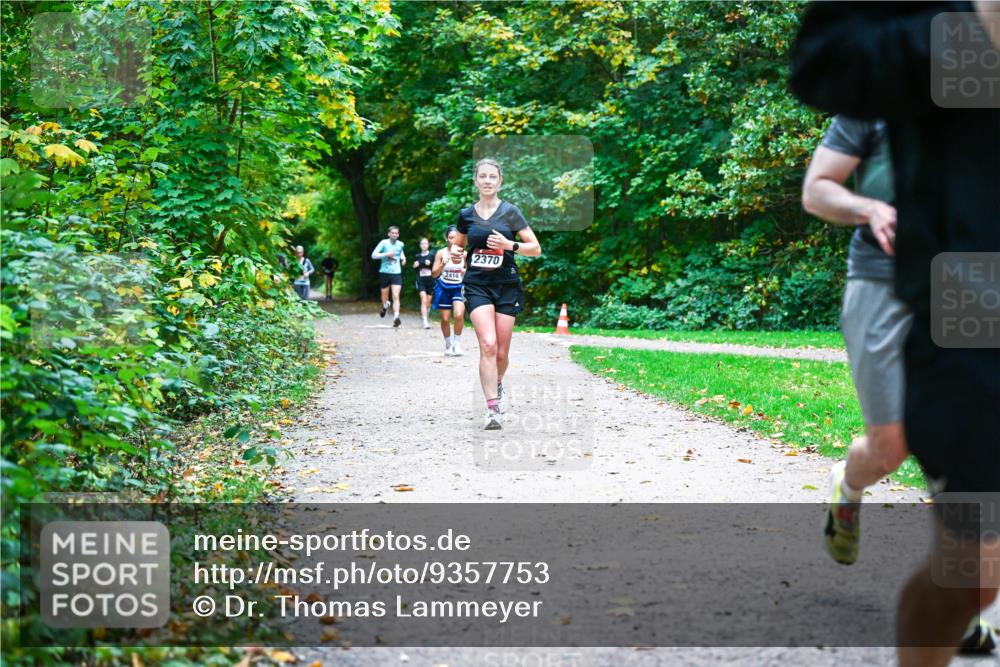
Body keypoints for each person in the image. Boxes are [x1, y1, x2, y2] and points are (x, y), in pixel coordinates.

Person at [791, 3, 1000, 665]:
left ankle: (973, 604)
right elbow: (817, 190)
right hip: (886, 279)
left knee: (974, 546)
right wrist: (867, 206)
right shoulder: (880, 93)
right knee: (892, 444)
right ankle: (848, 488)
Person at [450, 158, 541, 430]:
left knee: (501, 353)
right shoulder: (466, 215)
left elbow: (535, 248)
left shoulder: (511, 212)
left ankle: (497, 384)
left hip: (506, 285)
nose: (488, 181)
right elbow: (459, 249)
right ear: (476, 181)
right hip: (477, 284)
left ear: (500, 181)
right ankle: (492, 409)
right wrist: (456, 254)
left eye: (493, 176)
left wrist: (508, 244)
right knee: (487, 344)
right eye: (483, 176)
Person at [431, 225, 467, 357]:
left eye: (456, 237)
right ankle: (448, 345)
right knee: (445, 319)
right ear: (446, 238)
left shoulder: (464, 254)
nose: (454, 240)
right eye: (451, 237)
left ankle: (457, 344)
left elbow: (470, 272)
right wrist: (442, 264)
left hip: (458, 287)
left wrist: (465, 272)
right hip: (444, 287)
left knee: (458, 315)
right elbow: (434, 274)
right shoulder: (441, 253)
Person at [371, 226, 405, 328]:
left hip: (396, 273)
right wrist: (386, 254)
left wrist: (403, 259)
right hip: (384, 272)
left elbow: (401, 254)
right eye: (392, 233)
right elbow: (373, 255)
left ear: (398, 235)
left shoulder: (401, 244)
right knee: (385, 297)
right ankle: (385, 307)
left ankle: (396, 318)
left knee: (396, 296)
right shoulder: (383, 243)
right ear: (389, 234)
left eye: (396, 233)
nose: (394, 235)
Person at [412, 238, 435, 329]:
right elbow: (414, 268)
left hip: (430, 281)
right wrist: (414, 266)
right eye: (422, 244)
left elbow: (436, 267)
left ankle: (426, 315)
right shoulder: (417, 256)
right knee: (424, 300)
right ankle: (425, 322)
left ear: (428, 245)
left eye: (425, 244)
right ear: (420, 245)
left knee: (428, 302)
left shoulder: (432, 255)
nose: (424, 245)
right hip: (420, 280)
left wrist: (431, 264)